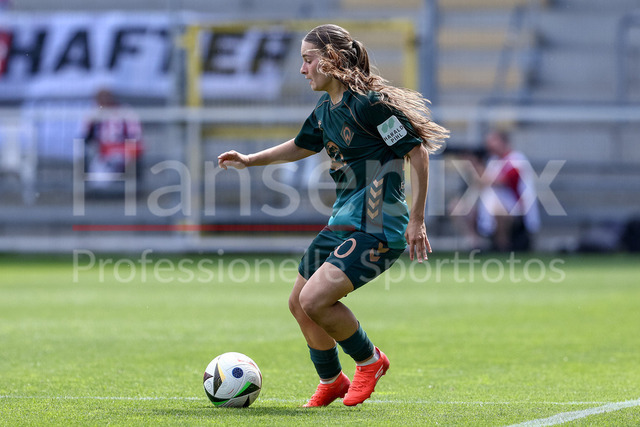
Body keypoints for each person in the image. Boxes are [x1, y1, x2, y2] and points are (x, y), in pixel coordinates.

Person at [218, 24, 448, 407]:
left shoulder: (370, 104)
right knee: (298, 303)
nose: (303, 69)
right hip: (342, 223)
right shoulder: (325, 109)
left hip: (378, 225)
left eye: (308, 60)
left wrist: (417, 219)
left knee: (314, 300)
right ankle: (331, 380)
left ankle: (370, 361)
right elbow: (301, 145)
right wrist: (250, 159)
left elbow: (417, 153)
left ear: (332, 59)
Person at [474, 130, 540, 251]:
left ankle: (502, 246)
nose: (489, 146)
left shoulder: (516, 159)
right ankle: (475, 244)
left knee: (499, 211)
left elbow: (500, 181)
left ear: (503, 142)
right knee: (460, 209)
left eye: (493, 141)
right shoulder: (493, 160)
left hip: (516, 207)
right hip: (492, 204)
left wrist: (476, 165)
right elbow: (481, 184)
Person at [82, 89, 144, 186]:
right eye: (101, 99)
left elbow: (136, 136)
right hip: (102, 154)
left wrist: (127, 151)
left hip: (123, 151)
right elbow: (86, 136)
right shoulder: (94, 113)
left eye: (106, 98)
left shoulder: (125, 112)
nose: (104, 101)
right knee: (98, 177)